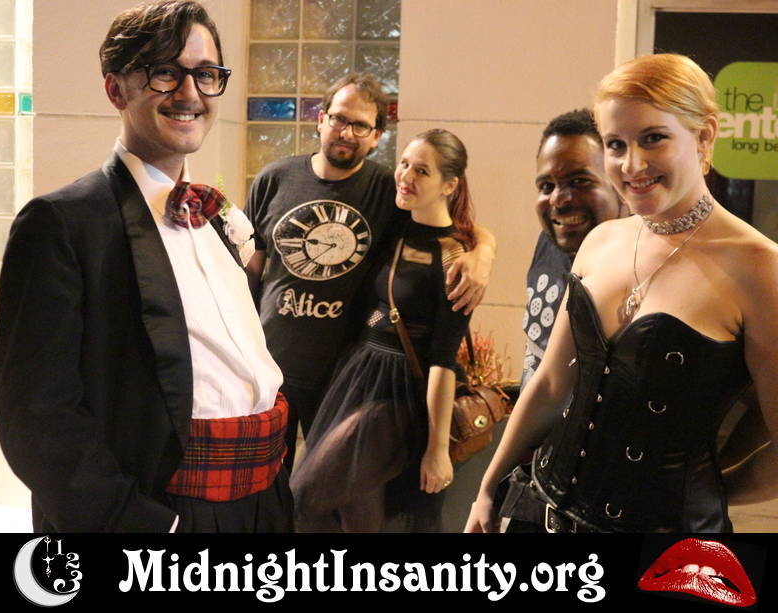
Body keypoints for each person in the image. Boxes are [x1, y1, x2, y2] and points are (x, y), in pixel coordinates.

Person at [0, 0, 291, 533]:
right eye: (165, 73)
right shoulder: (63, 224)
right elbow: (36, 416)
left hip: (262, 503)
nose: (190, 93)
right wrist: (145, 525)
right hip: (165, 513)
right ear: (116, 89)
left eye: (206, 74)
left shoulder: (217, 218)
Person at [466, 53, 778, 533]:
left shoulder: (759, 266)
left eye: (653, 138)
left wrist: (704, 496)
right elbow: (550, 386)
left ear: (704, 136)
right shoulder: (601, 241)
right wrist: (487, 490)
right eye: (616, 144)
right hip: (539, 512)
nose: (632, 164)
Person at [245, 74, 495, 471]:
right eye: (339, 119)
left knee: (321, 490)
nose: (347, 132)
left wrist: (483, 251)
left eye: (361, 126)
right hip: (271, 369)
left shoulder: (388, 190)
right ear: (321, 119)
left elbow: (443, 224)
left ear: (377, 136)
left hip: (343, 377)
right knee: (264, 483)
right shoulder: (273, 180)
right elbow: (248, 274)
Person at [290, 129, 476, 532]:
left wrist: (437, 449)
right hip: (360, 374)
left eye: (422, 170)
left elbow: (443, 360)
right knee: (356, 504)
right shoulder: (396, 225)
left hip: (401, 393)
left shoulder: (454, 258)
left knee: (306, 492)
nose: (405, 176)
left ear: (449, 185)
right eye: (404, 164)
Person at [522, 109, 623, 389]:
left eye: (579, 181)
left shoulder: (644, 261)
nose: (559, 199)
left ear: (619, 184)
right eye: (546, 186)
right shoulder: (550, 242)